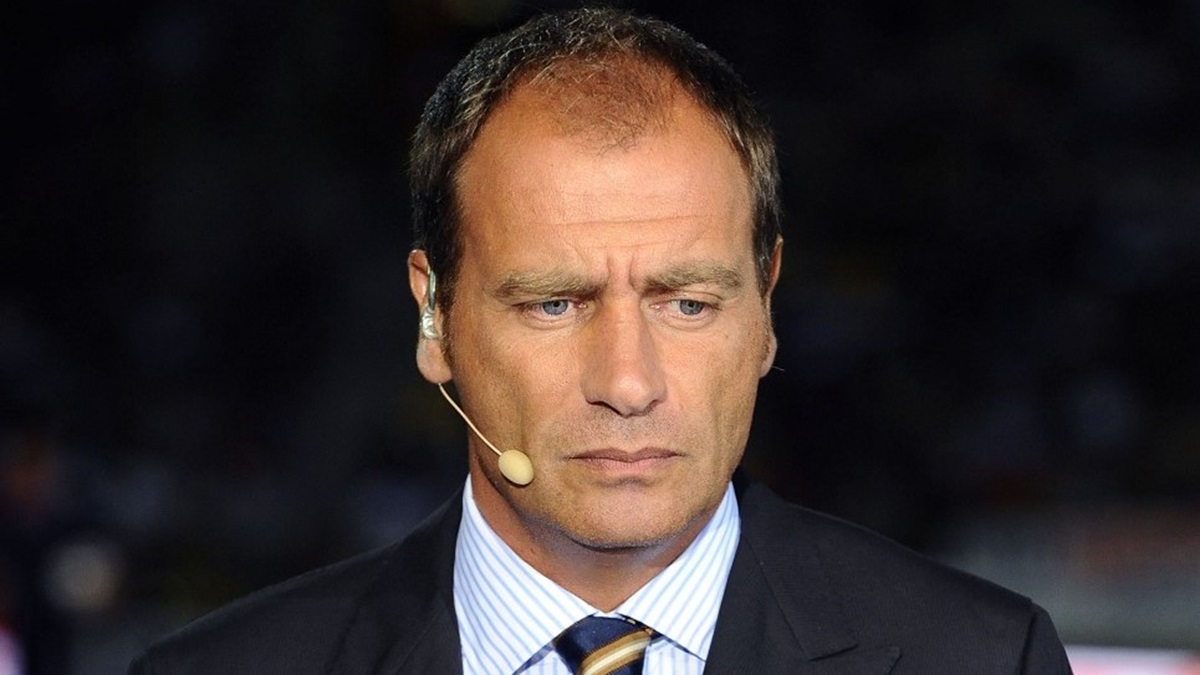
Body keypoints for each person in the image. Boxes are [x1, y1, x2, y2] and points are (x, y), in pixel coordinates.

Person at [129, 7, 1073, 674]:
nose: (628, 382)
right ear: (434, 315)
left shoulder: (985, 659)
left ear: (766, 305)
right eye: (554, 304)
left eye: (687, 303)